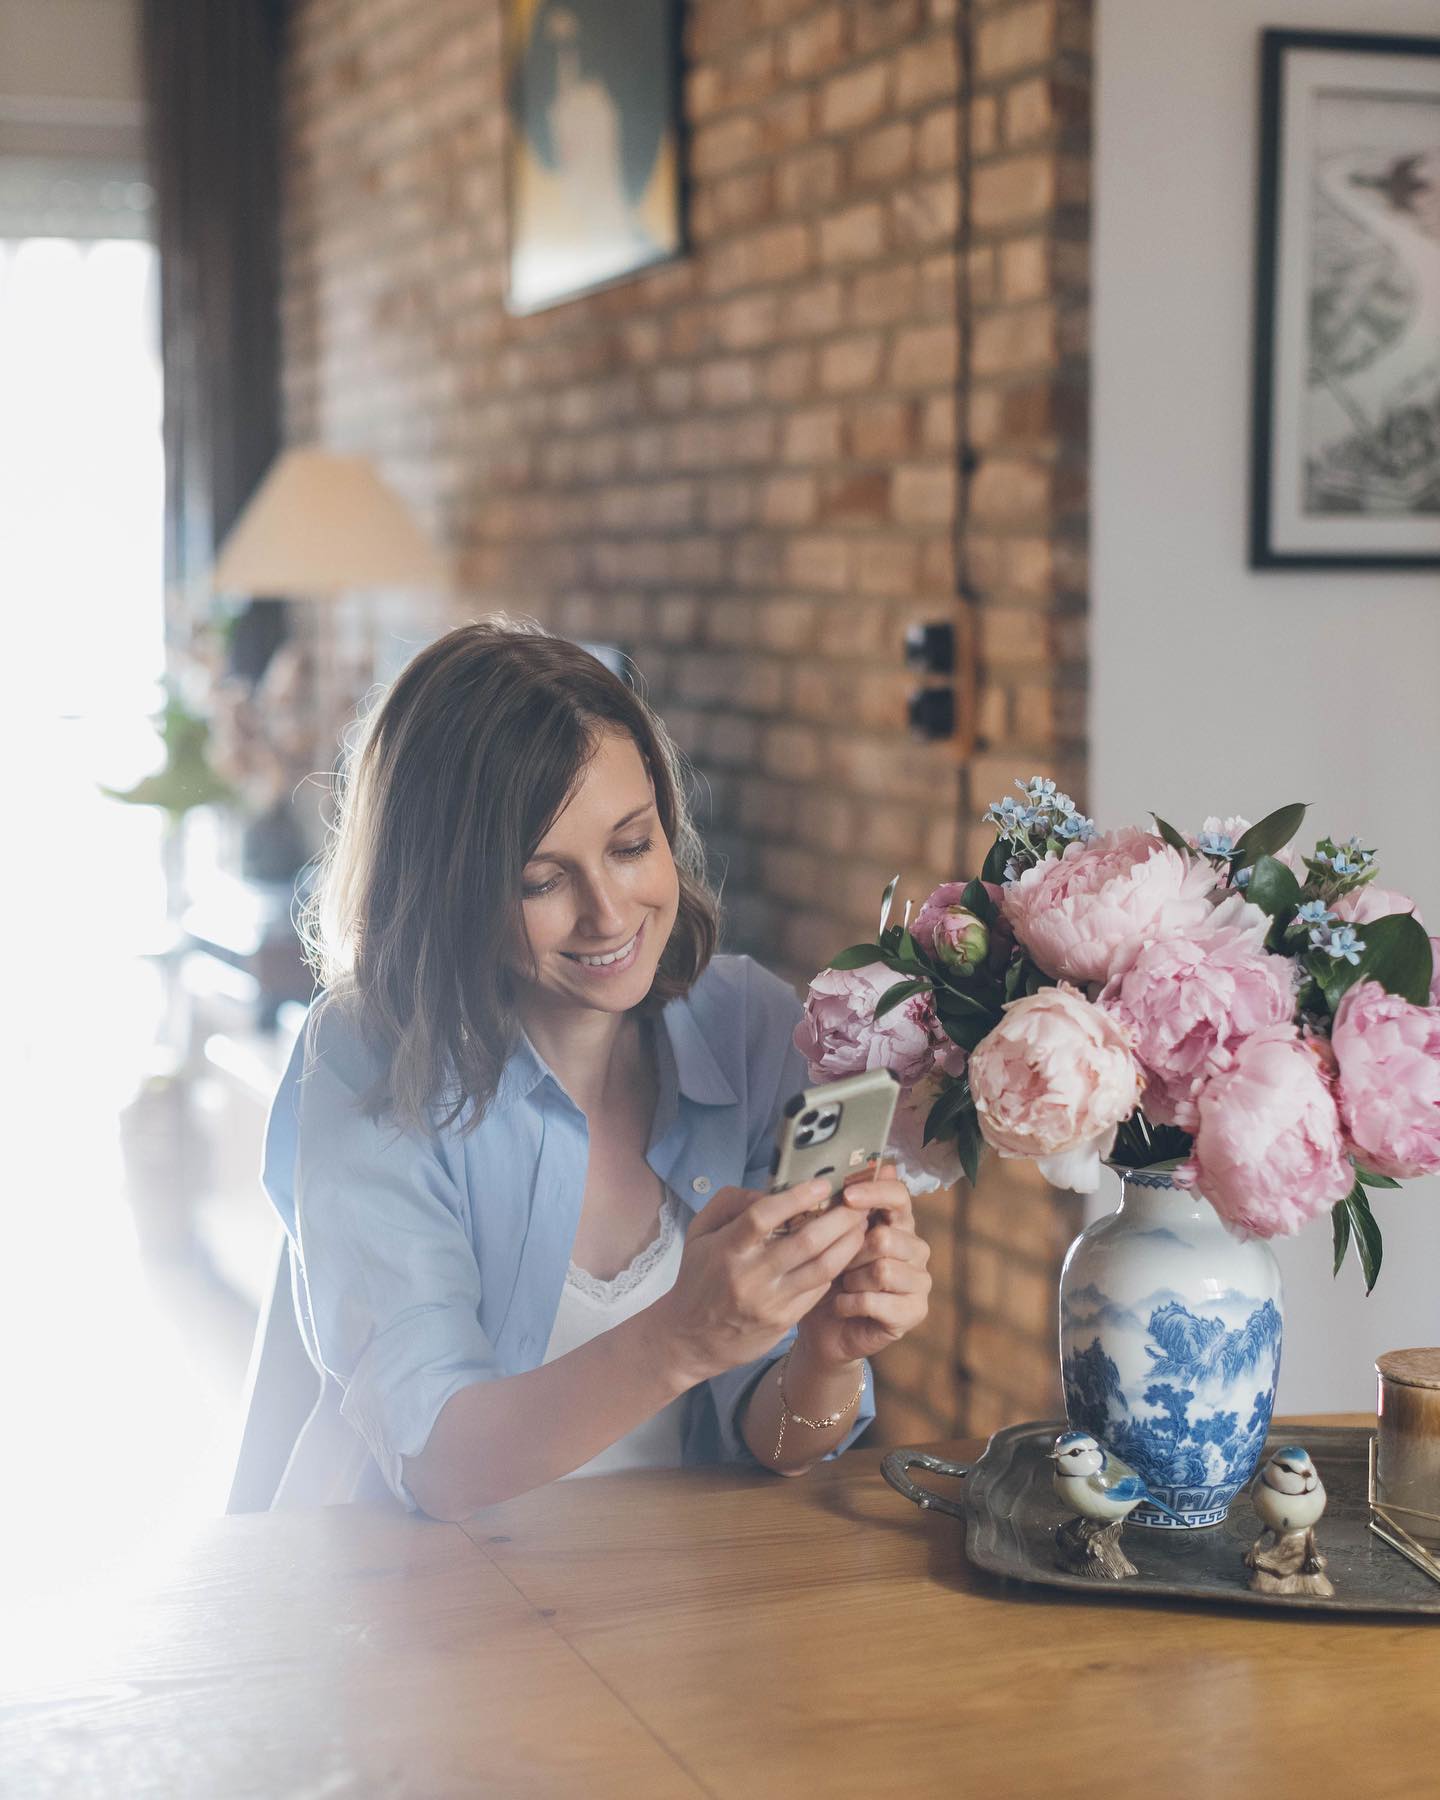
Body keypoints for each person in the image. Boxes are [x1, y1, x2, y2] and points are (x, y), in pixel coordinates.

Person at [261, 618, 932, 1518]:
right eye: (542, 880)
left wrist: (826, 1354)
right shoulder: (367, 1057)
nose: (610, 914)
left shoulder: (750, 1027)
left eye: (630, 846)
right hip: (410, 1605)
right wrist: (681, 1341)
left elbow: (772, 1444)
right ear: (447, 890)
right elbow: (434, 1464)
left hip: (666, 1602)